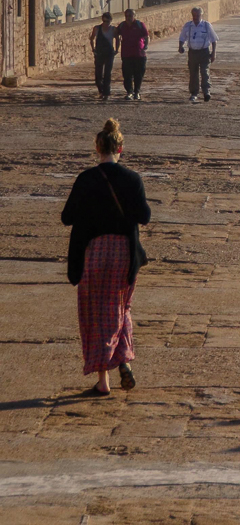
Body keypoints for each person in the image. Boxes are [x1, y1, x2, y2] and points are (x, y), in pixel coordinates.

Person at [60, 119, 150, 396]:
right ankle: (123, 359)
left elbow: (67, 217)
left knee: (95, 315)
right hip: (125, 253)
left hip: (95, 252)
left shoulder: (86, 179)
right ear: (120, 148)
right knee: (121, 307)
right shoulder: (132, 179)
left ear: (97, 148)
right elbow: (144, 216)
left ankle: (103, 380)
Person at [178, 6, 218, 104]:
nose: (195, 17)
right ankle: (194, 93)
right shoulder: (188, 25)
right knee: (193, 73)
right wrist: (180, 46)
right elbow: (182, 37)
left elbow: (214, 39)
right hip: (192, 52)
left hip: (204, 52)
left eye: (197, 15)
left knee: (204, 72)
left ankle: (206, 92)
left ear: (201, 15)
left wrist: (213, 53)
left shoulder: (206, 25)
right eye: (194, 15)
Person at [116, 8, 149, 100]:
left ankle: (137, 92)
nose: (128, 18)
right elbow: (115, 34)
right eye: (126, 16)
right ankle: (129, 92)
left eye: (130, 16)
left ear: (134, 16)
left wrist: (145, 47)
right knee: (127, 75)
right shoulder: (122, 26)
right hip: (126, 54)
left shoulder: (139, 25)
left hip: (139, 54)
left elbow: (146, 37)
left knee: (138, 74)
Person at [90, 13, 118, 101]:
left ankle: (106, 92)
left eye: (108, 21)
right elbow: (92, 38)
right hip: (99, 52)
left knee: (107, 73)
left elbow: (117, 39)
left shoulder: (113, 29)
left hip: (109, 52)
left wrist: (116, 50)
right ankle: (101, 90)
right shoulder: (97, 28)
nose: (106, 23)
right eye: (105, 21)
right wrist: (93, 49)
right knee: (98, 73)